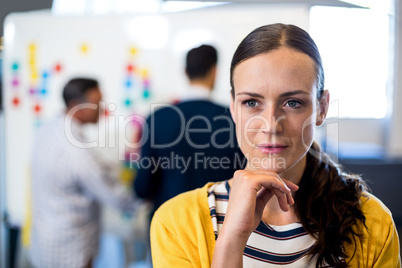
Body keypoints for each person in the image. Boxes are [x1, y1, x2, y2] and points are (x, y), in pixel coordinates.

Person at [150, 24, 401, 267]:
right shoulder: (176, 222)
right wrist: (232, 239)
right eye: (251, 102)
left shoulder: (371, 222)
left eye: (292, 102)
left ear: (322, 108)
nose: (270, 125)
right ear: (233, 107)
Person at [30, 78, 137, 268]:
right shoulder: (74, 148)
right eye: (97, 104)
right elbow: (111, 193)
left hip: (45, 239)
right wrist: (142, 199)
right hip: (70, 249)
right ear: (75, 106)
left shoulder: (50, 129)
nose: (102, 109)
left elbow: (85, 167)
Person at [134, 44, 245, 220]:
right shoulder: (235, 118)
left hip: (168, 226)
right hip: (221, 225)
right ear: (214, 71)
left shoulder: (157, 118)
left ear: (185, 71)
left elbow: (143, 186)